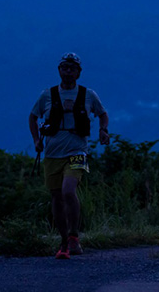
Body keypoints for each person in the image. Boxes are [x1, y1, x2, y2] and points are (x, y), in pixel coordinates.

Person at [29, 52, 110, 259]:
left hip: (77, 150)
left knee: (67, 191)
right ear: (59, 70)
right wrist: (36, 140)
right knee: (56, 196)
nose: (68, 72)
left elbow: (102, 113)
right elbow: (32, 116)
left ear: (78, 73)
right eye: (65, 68)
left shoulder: (88, 95)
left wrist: (103, 130)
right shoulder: (47, 95)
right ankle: (64, 240)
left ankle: (74, 235)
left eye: (72, 68)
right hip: (52, 152)